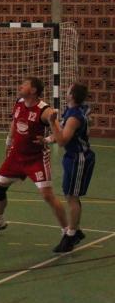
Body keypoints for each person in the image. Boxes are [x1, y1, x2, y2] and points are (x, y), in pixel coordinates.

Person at [0, 77, 69, 246]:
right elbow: (15, 122)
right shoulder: (19, 103)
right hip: (16, 155)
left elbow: (60, 134)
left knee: (47, 195)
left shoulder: (45, 110)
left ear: (33, 90)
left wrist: (47, 138)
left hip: (36, 158)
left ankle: (67, 231)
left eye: (25, 84)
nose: (20, 86)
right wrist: (8, 141)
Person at [48, 83, 94, 253]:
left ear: (72, 96)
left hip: (78, 158)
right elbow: (60, 133)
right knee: (70, 195)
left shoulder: (74, 116)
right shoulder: (73, 109)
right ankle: (76, 230)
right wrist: (46, 140)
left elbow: (62, 141)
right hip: (72, 157)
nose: (65, 91)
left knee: (72, 197)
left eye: (68, 90)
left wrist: (52, 122)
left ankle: (71, 235)